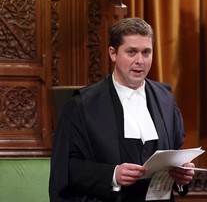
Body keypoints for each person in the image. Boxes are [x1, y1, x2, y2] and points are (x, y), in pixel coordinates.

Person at [49, 17, 195, 202]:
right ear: (113, 53)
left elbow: (176, 153)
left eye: (146, 52)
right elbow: (66, 168)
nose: (140, 61)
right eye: (131, 52)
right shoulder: (82, 105)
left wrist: (181, 177)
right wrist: (112, 174)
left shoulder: (165, 98)